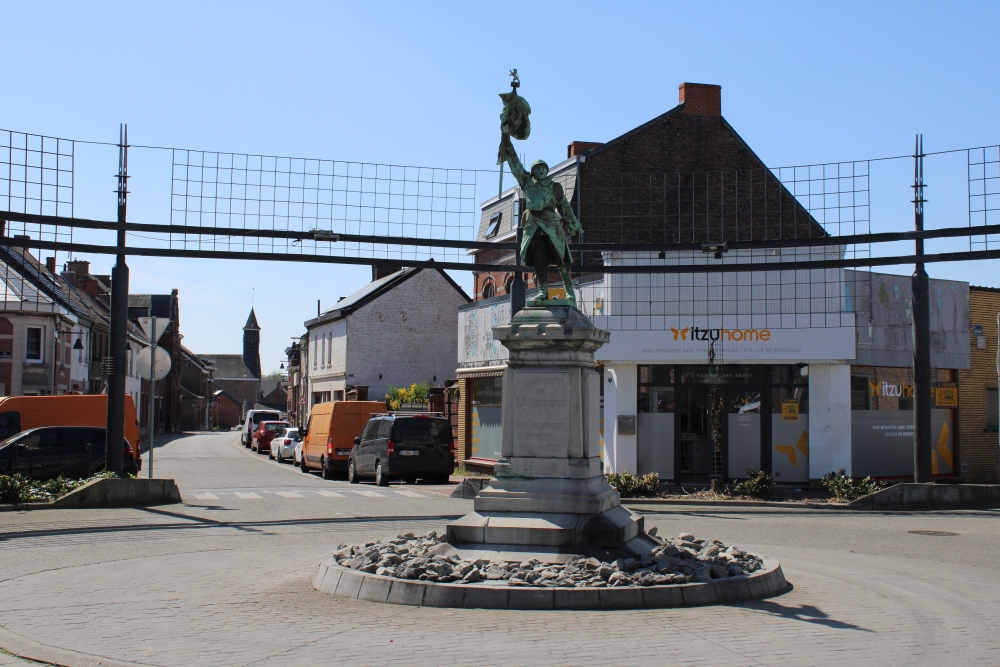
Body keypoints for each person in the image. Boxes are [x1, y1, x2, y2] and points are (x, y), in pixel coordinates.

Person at [499, 133, 582, 303]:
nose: (542, 170)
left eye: (544, 167)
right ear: (533, 172)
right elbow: (515, 163)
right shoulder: (527, 182)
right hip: (532, 225)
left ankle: (569, 289)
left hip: (551, 223)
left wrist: (573, 223)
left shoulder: (555, 187)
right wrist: (507, 142)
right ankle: (543, 289)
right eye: (538, 168)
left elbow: (564, 206)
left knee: (561, 257)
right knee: (539, 259)